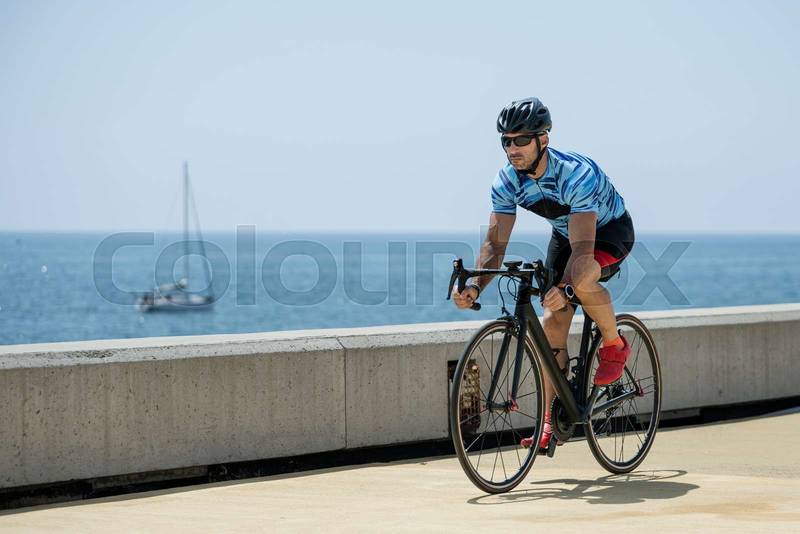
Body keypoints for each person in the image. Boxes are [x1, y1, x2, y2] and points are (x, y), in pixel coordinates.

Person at [451, 97, 635, 451]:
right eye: (506, 140)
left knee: (580, 282)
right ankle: (553, 420)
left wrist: (565, 287)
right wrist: (475, 287)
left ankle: (614, 343)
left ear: (543, 140)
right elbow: (494, 245)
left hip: (608, 231)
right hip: (566, 234)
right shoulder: (506, 181)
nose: (512, 148)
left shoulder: (575, 174)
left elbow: (583, 251)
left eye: (521, 140)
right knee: (552, 319)